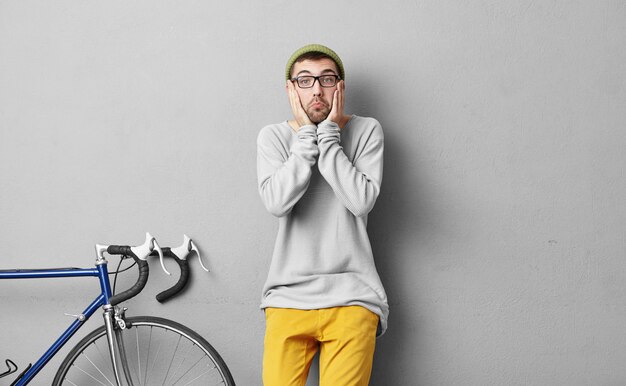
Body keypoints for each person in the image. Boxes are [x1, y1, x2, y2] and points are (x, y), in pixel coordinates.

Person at [256, 44, 389, 386]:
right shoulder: (273, 137)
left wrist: (329, 137)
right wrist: (304, 137)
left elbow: (360, 201)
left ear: (340, 87)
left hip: (352, 297)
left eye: (327, 79)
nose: (317, 89)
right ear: (291, 89)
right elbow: (277, 202)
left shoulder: (366, 131)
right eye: (305, 80)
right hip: (288, 296)